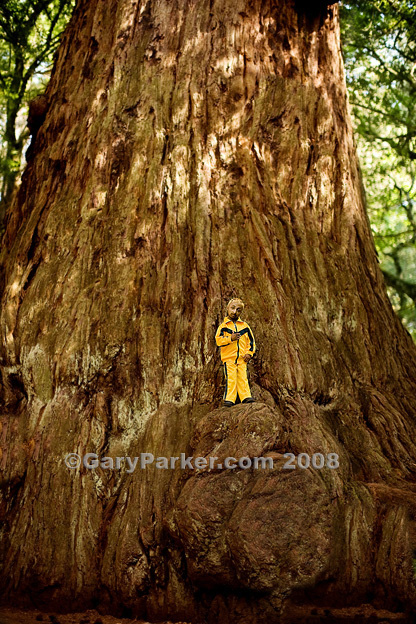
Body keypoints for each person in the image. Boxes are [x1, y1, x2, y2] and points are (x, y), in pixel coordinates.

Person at [215, 298, 256, 407]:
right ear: (228, 308)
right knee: (231, 378)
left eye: (238, 310)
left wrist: (249, 353)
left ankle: (245, 396)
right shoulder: (224, 327)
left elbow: (250, 342)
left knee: (243, 377)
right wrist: (230, 338)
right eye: (232, 308)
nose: (234, 312)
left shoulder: (245, 326)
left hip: (242, 358)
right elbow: (218, 340)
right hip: (229, 358)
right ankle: (230, 398)